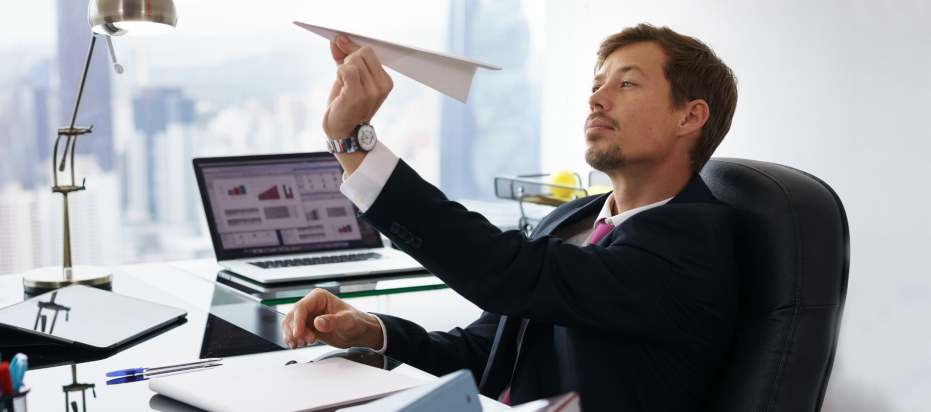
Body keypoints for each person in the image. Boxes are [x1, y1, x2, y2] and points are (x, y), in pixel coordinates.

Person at [281, 23, 740, 411]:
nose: (596, 99)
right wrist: (373, 332)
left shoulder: (696, 242)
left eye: (626, 83)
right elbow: (485, 352)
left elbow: (503, 269)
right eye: (596, 84)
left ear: (689, 117)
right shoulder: (571, 220)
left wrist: (354, 144)